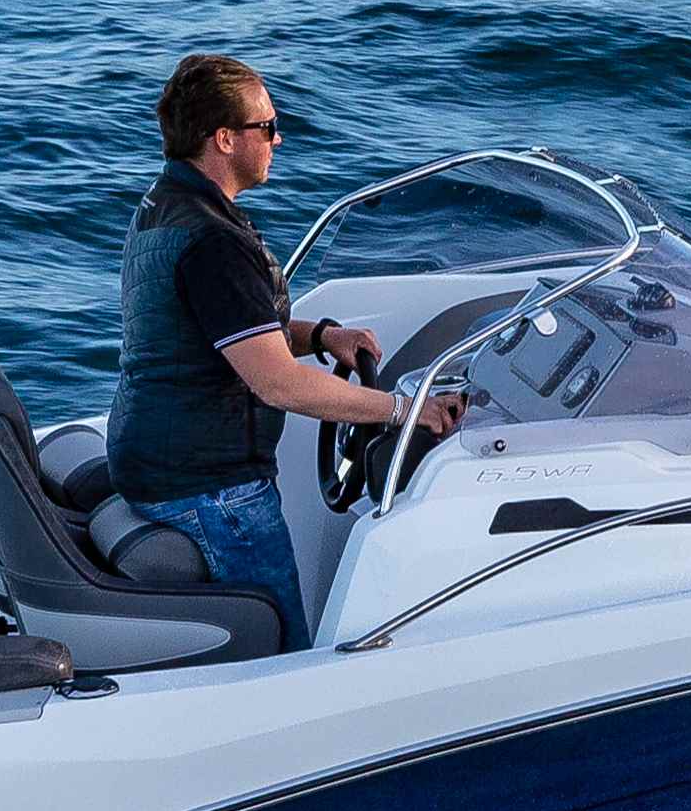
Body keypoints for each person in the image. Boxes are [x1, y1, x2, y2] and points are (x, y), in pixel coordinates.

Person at [104, 54, 461, 650]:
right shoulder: (212, 241)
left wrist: (321, 335)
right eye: (266, 126)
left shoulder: (165, 207)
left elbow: (222, 327)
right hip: (210, 490)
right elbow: (279, 384)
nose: (279, 137)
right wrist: (405, 410)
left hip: (154, 462)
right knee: (284, 654)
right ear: (224, 139)